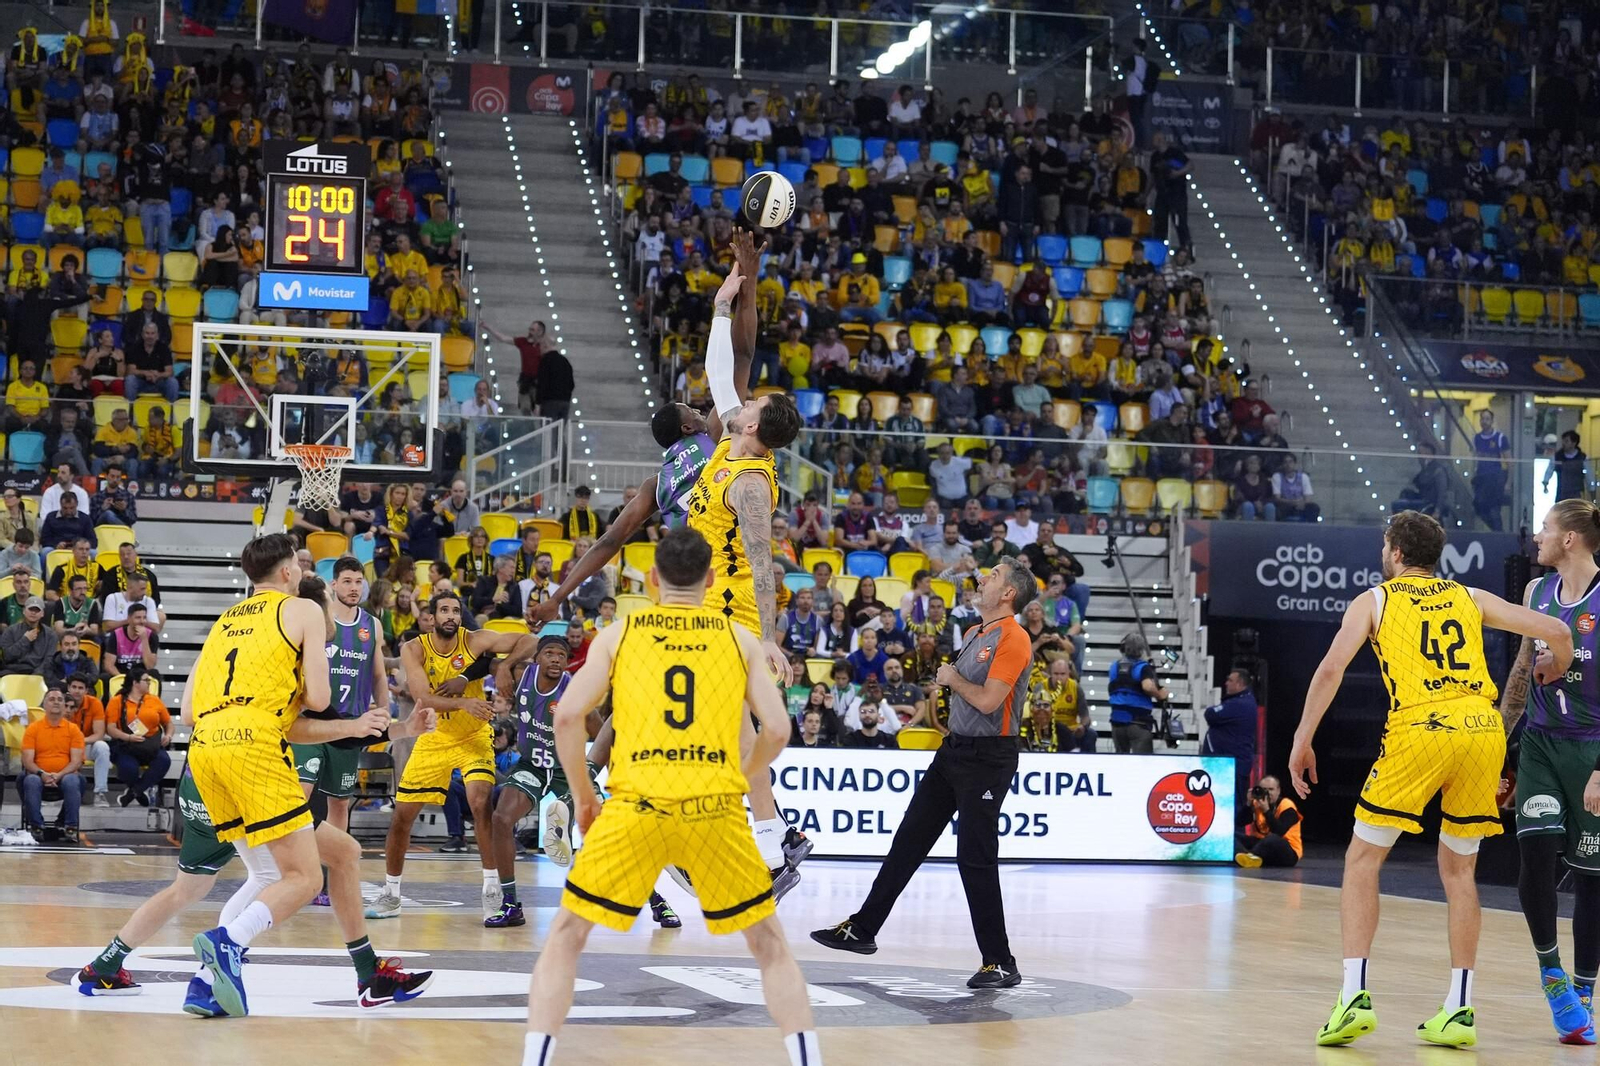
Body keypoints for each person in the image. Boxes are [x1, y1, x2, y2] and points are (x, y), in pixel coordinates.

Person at [523, 528, 821, 1066]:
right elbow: (777, 730)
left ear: (652, 580)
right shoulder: (738, 638)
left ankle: (534, 1060)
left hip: (637, 804)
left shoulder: (620, 632)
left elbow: (566, 716)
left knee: (567, 935)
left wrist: (585, 797)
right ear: (710, 581)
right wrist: (740, 775)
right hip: (715, 808)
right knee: (770, 946)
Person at [78, 568, 435, 1011]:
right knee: (291, 875)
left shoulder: (231, 633)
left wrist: (397, 727)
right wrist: (390, 727)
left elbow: (190, 711)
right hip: (250, 770)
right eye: (327, 601)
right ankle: (220, 960)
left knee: (325, 857)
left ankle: (120, 965)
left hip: (204, 771)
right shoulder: (294, 638)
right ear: (311, 606)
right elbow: (320, 723)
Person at [1289, 511, 1574, 1049]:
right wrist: (1554, 668)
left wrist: (1303, 738)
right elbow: (1557, 630)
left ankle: (1352, 997)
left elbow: (1329, 670)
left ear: (1395, 552)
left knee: (1362, 860)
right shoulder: (1468, 597)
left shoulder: (1375, 599)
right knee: (1459, 872)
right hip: (1483, 727)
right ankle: (1459, 1009)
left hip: (1423, 726)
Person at [811, 560, 1035, 989]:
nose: (983, 578)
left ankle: (1000, 961)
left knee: (975, 858)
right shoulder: (974, 633)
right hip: (955, 751)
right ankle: (863, 928)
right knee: (909, 839)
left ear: (1008, 594)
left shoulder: (1015, 637)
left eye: (993, 577)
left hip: (989, 758)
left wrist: (951, 679)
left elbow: (990, 701)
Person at [366, 590, 540, 921]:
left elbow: (530, 640)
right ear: (431, 617)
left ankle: (492, 890)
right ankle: (391, 893)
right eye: (444, 610)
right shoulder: (413, 648)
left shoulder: (474, 639)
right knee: (402, 817)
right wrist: (463, 701)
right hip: (434, 737)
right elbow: (421, 697)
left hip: (473, 735)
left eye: (456, 611)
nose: (450, 616)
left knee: (479, 804)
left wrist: (507, 668)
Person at [1498, 500, 1600, 1043]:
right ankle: (1552, 975)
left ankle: (1585, 990)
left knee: (1591, 880)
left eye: (1544, 529)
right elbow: (1520, 671)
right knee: (1535, 857)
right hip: (1540, 744)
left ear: (1570, 540)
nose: (1536, 537)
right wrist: (1495, 743)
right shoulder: (1536, 594)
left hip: (1593, 751)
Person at [289, 557, 389, 898]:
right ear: (334, 585)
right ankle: (299, 871)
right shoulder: (317, 618)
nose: (354, 587)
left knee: (340, 804)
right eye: (347, 581)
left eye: (358, 582)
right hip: (313, 722)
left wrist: (385, 709)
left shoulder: (372, 626)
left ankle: (329, 878)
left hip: (350, 727)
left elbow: (378, 675)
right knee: (300, 794)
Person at [17, 686, 84, 842]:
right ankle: (36, 826)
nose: (56, 702)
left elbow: (76, 761)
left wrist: (59, 775)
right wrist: (43, 774)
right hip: (39, 776)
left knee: (74, 780)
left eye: (60, 700)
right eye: (52, 699)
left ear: (64, 705)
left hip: (65, 777)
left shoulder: (74, 730)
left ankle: (70, 827)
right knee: (30, 779)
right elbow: (27, 760)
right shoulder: (33, 729)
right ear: (44, 705)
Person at [1200, 668, 1258, 804]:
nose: (1226, 683)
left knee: (1230, 809)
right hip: (1227, 765)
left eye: (1230, 680)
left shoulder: (1241, 704)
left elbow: (1210, 714)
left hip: (1231, 767)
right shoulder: (1242, 701)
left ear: (1240, 684)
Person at [1107, 632, 1171, 753]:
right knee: (1143, 764)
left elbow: (1126, 676)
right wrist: (1159, 694)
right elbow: (1147, 687)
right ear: (1142, 649)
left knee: (1121, 762)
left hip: (1117, 724)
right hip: (1138, 723)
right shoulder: (1143, 668)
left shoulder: (1114, 666)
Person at [1235, 776, 1302, 869]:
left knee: (1272, 839)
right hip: (1262, 845)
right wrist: (1248, 804)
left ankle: (1250, 856)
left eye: (1271, 789)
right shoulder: (1257, 803)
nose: (1267, 793)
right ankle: (1251, 858)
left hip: (1287, 851)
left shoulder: (1287, 806)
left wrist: (1266, 810)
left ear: (1278, 791)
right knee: (1233, 836)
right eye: (1264, 789)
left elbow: (1279, 831)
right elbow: (1239, 822)